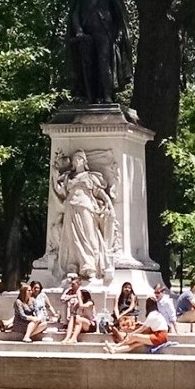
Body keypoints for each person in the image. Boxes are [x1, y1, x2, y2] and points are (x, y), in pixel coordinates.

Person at [65, 0, 132, 104]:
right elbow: (75, 14)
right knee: (87, 65)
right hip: (85, 35)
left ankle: (107, 95)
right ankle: (89, 96)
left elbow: (118, 15)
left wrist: (119, 32)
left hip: (105, 32)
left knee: (104, 63)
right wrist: (78, 31)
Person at [52, 150, 115, 281]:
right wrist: (54, 174)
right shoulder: (69, 177)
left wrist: (108, 203)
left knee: (89, 235)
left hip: (86, 206)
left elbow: (99, 192)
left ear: (84, 161)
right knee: (71, 237)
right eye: (75, 159)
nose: (76, 161)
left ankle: (89, 265)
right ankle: (73, 265)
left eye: (79, 158)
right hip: (70, 206)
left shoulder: (91, 176)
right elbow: (60, 191)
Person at [105, 298, 169, 354]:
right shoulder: (157, 314)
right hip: (160, 336)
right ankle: (115, 350)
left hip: (159, 336)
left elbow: (142, 329)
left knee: (134, 336)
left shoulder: (152, 315)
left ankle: (116, 346)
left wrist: (131, 334)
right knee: (134, 344)